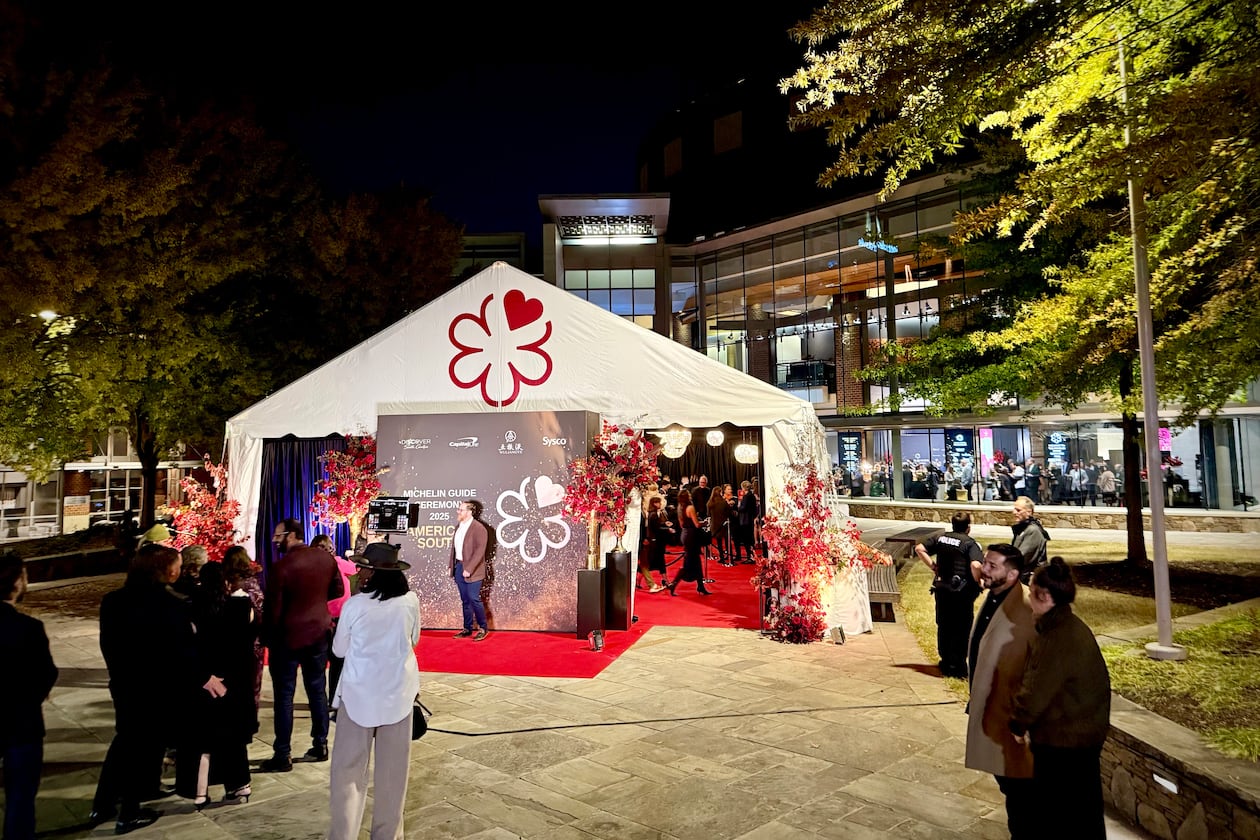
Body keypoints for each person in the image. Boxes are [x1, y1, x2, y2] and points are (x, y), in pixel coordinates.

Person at [93, 543, 225, 835]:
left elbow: (109, 645)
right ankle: (128, 813)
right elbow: (182, 652)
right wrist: (204, 677)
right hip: (156, 690)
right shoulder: (170, 606)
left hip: (125, 684)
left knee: (127, 741)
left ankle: (105, 802)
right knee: (138, 747)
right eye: (176, 565)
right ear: (167, 571)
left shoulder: (113, 601)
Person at [1010, 558, 1112, 840]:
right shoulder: (1068, 626)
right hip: (1081, 738)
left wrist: (1017, 724)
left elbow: (1035, 691)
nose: (1028, 597)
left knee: (1058, 815)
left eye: (1031, 591)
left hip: (1063, 742)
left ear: (1044, 596)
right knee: (1083, 811)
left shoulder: (1057, 637)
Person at [328, 542, 420, 840]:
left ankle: (343, 835)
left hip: (358, 695)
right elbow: (414, 639)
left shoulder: (355, 606)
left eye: (363, 567)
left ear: (373, 573)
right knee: (394, 775)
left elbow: (339, 650)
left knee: (348, 772)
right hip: (398, 694)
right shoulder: (410, 602)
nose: (359, 572)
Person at [260, 518, 344, 772]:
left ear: (292, 535)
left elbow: (273, 610)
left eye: (278, 536)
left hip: (287, 638)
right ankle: (321, 745)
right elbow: (337, 590)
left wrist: (266, 638)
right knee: (317, 690)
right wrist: (315, 602)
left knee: (284, 696)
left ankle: (282, 754)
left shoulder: (281, 567)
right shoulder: (326, 560)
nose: (275, 541)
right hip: (318, 633)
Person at [965, 544, 1036, 839]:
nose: (983, 569)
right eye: (985, 562)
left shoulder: (1027, 608)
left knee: (1020, 787)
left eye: (992, 566)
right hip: (991, 706)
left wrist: (1023, 716)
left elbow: (1035, 667)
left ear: (1013, 574)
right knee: (1007, 781)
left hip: (1010, 713)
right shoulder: (994, 596)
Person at [178, 561, 258, 809]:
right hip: (236, 679)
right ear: (225, 581)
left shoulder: (191, 609)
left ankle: (200, 792)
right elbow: (250, 638)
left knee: (203, 739)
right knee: (234, 737)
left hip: (207, 680)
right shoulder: (241, 606)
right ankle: (240, 785)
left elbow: (188, 647)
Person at [0, 551, 58, 840]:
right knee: (21, 795)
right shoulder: (28, 628)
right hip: (22, 722)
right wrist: (32, 698)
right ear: (16, 583)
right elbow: (46, 673)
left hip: (20, 718)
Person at [914, 513, 983, 678]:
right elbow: (975, 565)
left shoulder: (941, 538)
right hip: (962, 593)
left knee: (944, 625)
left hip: (942, 589)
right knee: (962, 627)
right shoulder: (970, 543)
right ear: (968, 527)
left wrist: (933, 566)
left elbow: (919, 548)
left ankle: (945, 661)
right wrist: (979, 581)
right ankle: (958, 666)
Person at [312, 534, 358, 710]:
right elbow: (355, 570)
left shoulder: (328, 564)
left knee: (326, 662)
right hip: (330, 620)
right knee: (333, 661)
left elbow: (355, 570)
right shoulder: (332, 564)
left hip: (330, 620)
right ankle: (329, 700)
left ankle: (324, 701)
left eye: (328, 548)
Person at [222, 546, 265, 713]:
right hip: (252, 641)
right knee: (252, 681)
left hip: (228, 640)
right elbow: (260, 611)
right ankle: (250, 714)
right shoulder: (252, 584)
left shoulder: (224, 584)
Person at [450, 499, 489, 640]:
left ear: (469, 512)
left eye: (461, 510)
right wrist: (452, 566)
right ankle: (467, 628)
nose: (458, 512)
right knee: (465, 600)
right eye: (459, 509)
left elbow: (480, 551)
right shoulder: (459, 527)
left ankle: (483, 628)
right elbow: (455, 549)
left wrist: (470, 568)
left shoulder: (479, 528)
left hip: (474, 570)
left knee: (473, 599)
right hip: (459, 567)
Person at [667, 489, 711, 596]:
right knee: (689, 563)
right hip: (692, 536)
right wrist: (705, 523)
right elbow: (697, 524)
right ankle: (674, 583)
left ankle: (700, 586)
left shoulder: (680, 507)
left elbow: (681, 524)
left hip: (685, 534)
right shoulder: (690, 507)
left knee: (696, 562)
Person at [1011, 496, 1050, 581]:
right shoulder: (1022, 528)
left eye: (1018, 510)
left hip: (1031, 580)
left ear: (1029, 512)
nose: (1014, 512)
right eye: (1014, 509)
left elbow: (1021, 558)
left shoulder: (1033, 531)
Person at [640, 495, 672, 592]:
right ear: (654, 503)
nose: (660, 504)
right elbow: (656, 528)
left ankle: (665, 580)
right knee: (652, 562)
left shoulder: (652, 514)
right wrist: (667, 529)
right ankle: (665, 580)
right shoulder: (653, 514)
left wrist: (664, 525)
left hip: (654, 541)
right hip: (655, 542)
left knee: (649, 563)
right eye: (658, 502)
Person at [707, 483, 733, 566]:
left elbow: (708, 514)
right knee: (727, 542)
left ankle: (721, 557)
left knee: (719, 543)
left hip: (714, 525)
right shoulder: (723, 503)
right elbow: (729, 513)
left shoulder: (710, 503)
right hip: (723, 525)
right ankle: (730, 558)